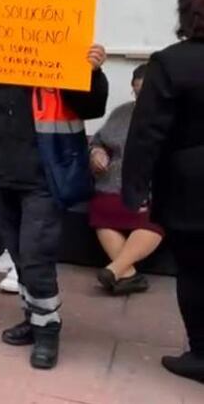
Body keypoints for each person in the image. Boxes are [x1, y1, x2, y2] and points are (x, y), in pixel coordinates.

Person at [0, 36, 109, 370]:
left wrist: (93, 71)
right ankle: (34, 319)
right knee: (18, 252)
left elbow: (92, 107)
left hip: (46, 175)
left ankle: (48, 331)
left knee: (35, 256)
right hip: (2, 174)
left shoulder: (60, 48)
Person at [122, 0, 204, 384]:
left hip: (190, 189)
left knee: (193, 270)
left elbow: (146, 133)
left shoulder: (171, 63)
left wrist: (134, 189)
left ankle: (201, 355)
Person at [89, 63, 162, 296]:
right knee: (102, 211)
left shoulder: (175, 117)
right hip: (114, 182)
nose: (142, 99)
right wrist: (96, 153)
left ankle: (114, 270)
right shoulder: (122, 112)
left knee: (156, 215)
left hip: (152, 186)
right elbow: (99, 141)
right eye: (137, 93)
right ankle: (128, 274)